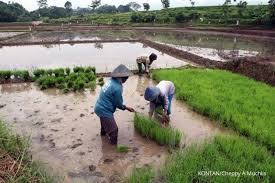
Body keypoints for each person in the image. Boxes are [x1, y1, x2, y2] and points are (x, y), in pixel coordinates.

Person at [94, 64, 135, 145]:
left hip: (98, 106)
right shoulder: (117, 87)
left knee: (104, 126)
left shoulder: (110, 81)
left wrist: (125, 107)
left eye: (126, 78)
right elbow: (118, 104)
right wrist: (126, 108)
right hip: (104, 110)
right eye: (125, 78)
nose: (125, 80)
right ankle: (112, 151)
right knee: (114, 130)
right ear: (121, 77)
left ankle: (103, 140)